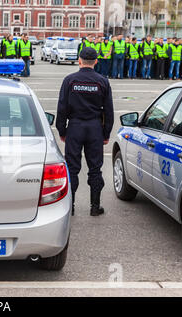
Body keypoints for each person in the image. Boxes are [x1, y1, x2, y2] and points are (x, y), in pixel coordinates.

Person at [55, 47, 114, 217]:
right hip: (94, 128)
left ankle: (70, 207)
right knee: (95, 169)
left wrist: (62, 130)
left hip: (75, 127)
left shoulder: (70, 80)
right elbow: (109, 111)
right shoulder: (102, 81)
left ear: (79, 60)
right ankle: (95, 206)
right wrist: (106, 133)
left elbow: (62, 108)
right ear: (96, 61)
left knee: (72, 169)